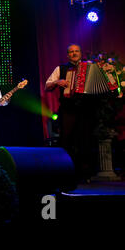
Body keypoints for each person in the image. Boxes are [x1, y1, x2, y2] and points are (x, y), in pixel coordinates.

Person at [45, 43, 97, 181]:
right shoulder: (60, 68)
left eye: (76, 51)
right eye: (71, 52)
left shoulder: (91, 67)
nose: (74, 53)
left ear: (80, 53)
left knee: (85, 141)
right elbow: (47, 86)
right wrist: (57, 82)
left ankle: (85, 174)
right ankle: (66, 172)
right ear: (67, 55)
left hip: (85, 109)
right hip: (68, 109)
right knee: (66, 140)